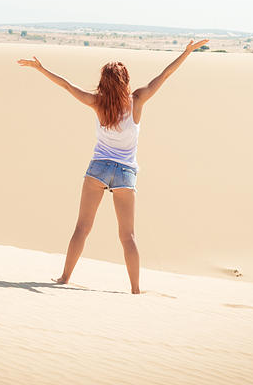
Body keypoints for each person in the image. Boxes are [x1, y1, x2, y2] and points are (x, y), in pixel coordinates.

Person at [16, 38, 209, 293]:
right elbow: (165, 74)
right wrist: (186, 53)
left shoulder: (98, 102)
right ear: (125, 80)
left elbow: (67, 86)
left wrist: (40, 69)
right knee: (127, 236)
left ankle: (64, 278)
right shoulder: (138, 99)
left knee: (82, 228)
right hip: (126, 172)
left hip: (98, 168)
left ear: (104, 82)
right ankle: (135, 290)